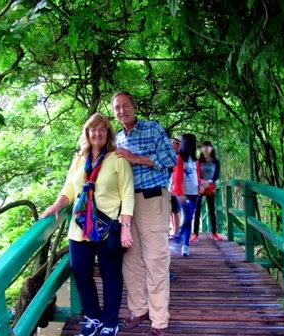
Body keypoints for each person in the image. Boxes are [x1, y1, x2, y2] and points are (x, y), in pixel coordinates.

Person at [41, 113, 135, 336]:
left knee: (111, 276)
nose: (97, 133)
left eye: (102, 129)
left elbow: (128, 194)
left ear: (108, 134)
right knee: (81, 273)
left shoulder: (117, 158)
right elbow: (69, 190)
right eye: (93, 129)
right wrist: (56, 205)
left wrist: (126, 226)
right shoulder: (79, 160)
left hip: (107, 228)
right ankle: (93, 317)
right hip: (79, 228)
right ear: (87, 133)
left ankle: (110, 321)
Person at [111, 92, 177, 336]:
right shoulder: (116, 139)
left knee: (155, 259)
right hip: (126, 206)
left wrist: (134, 158)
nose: (121, 111)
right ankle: (139, 309)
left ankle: (159, 319)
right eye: (117, 108)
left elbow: (170, 158)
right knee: (131, 259)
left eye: (125, 105)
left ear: (134, 106)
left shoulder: (153, 129)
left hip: (152, 199)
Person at [172, 134, 199, 256]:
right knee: (188, 216)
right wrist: (180, 193)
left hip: (194, 193)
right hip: (184, 194)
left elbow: (197, 176)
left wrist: (201, 185)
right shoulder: (179, 158)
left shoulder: (195, 159)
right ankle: (181, 240)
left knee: (189, 218)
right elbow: (177, 178)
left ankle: (184, 244)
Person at [192, 140, 222, 242]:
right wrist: (202, 182)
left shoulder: (216, 162)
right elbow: (196, 174)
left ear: (211, 148)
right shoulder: (198, 161)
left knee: (212, 210)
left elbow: (217, 175)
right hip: (200, 187)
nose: (205, 148)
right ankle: (195, 234)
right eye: (203, 147)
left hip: (210, 187)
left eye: (208, 146)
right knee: (197, 210)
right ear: (201, 149)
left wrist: (209, 181)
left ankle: (214, 232)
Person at [168, 136, 181, 239]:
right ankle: (174, 230)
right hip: (171, 185)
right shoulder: (173, 156)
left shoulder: (180, 157)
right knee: (172, 210)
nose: (172, 144)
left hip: (176, 186)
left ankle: (176, 231)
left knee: (175, 210)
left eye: (174, 143)